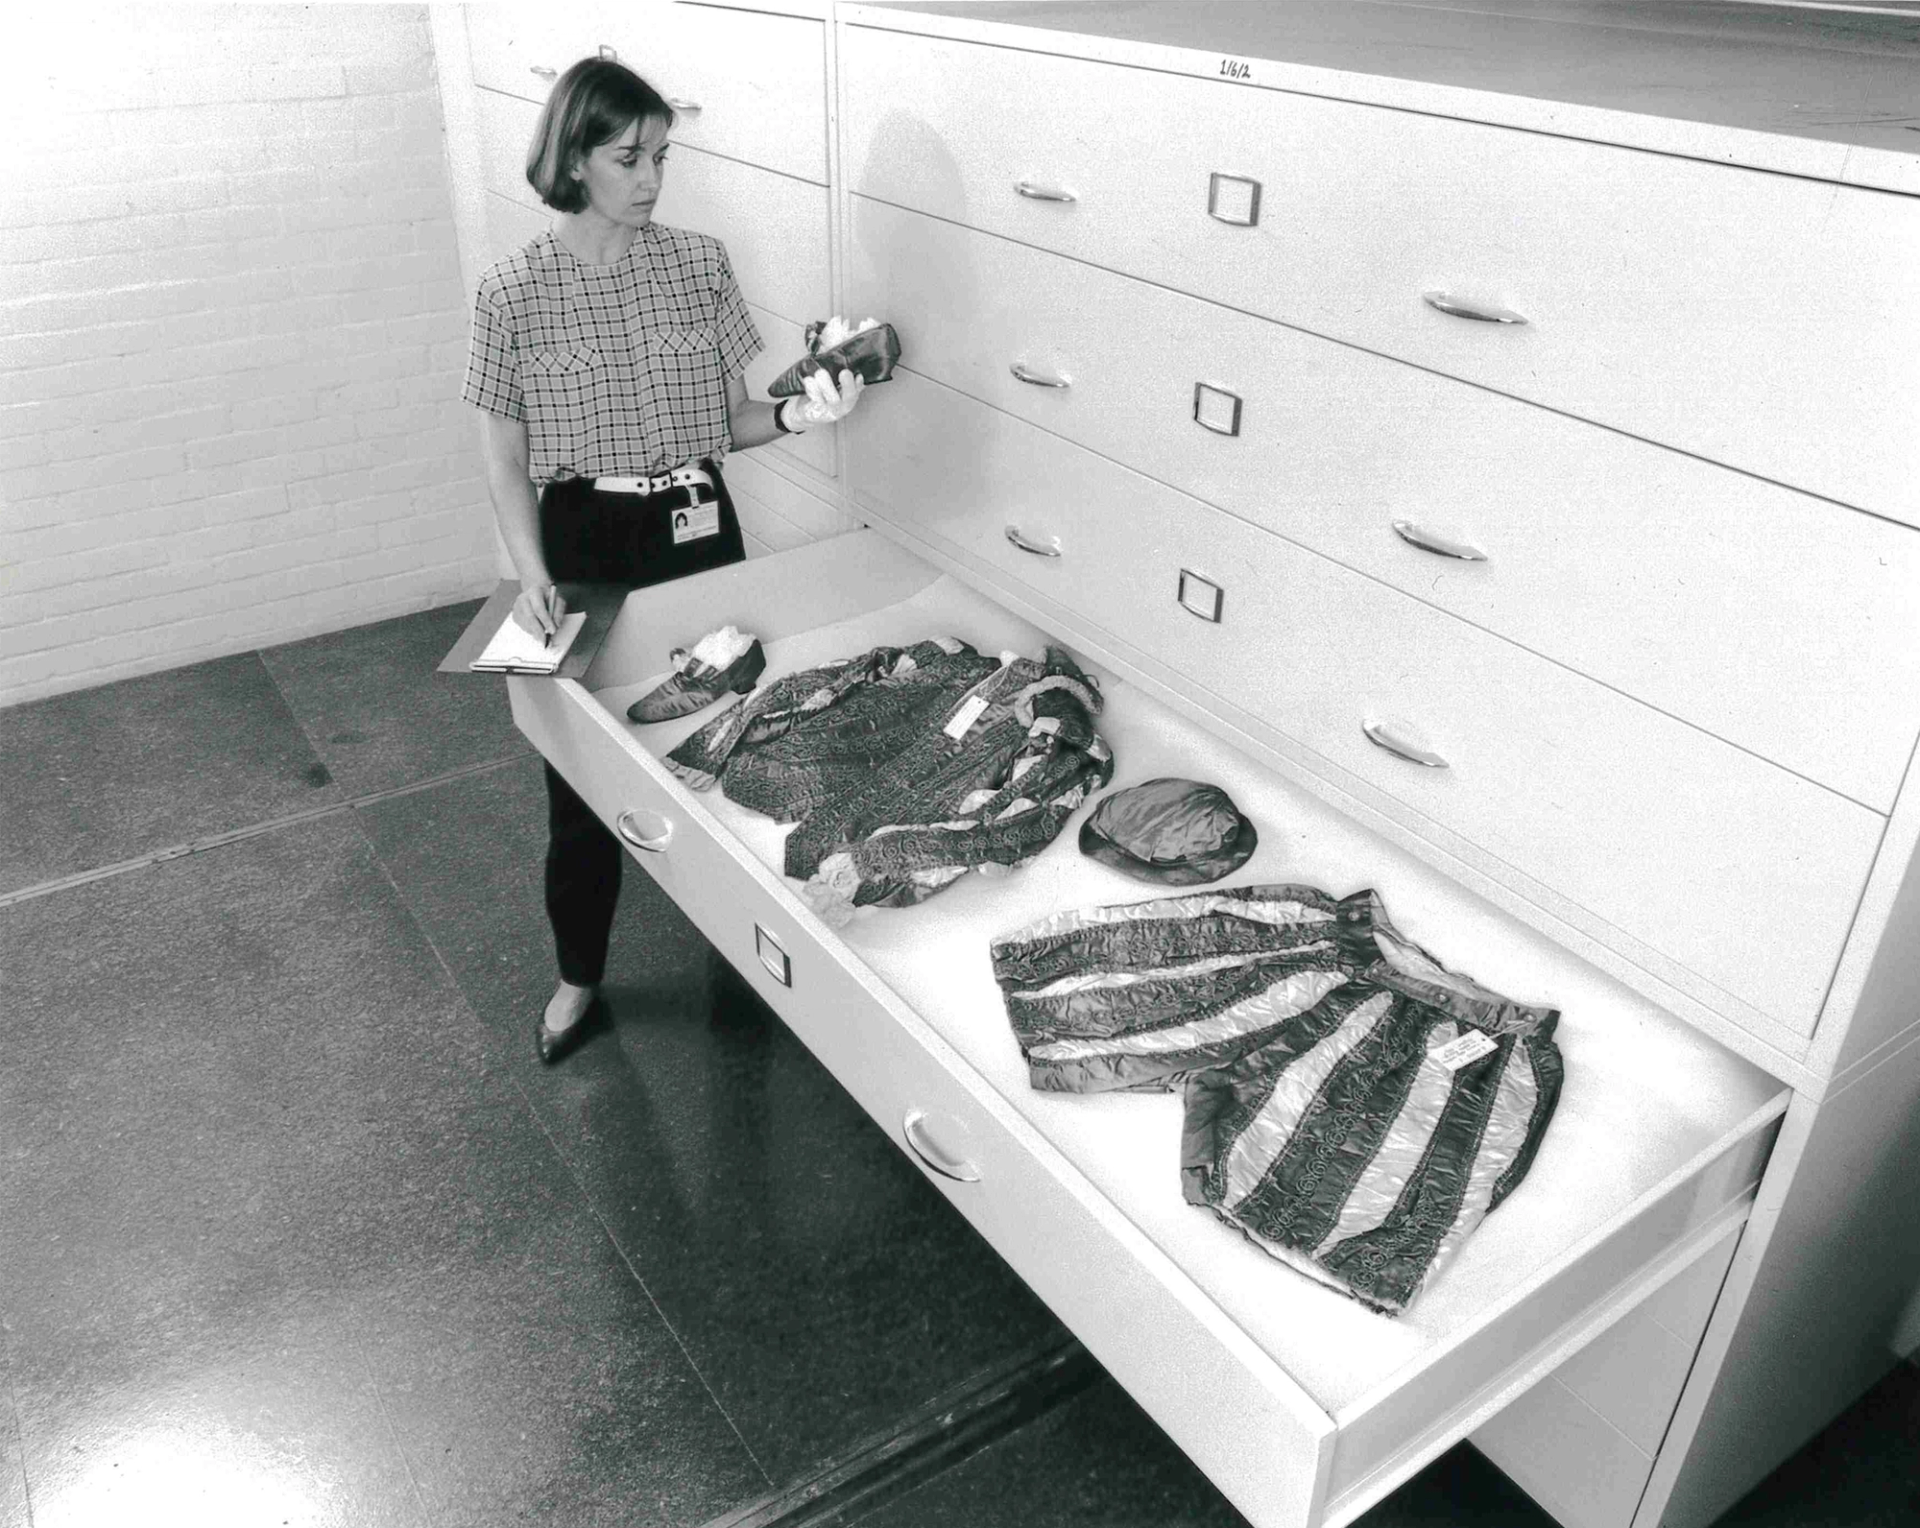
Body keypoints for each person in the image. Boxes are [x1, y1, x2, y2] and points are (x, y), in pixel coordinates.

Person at [461, 57, 865, 1065]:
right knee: (581, 780)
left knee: (736, 743)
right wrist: (532, 570)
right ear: (572, 159)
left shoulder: (699, 262)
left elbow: (730, 419)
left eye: (661, 155)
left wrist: (803, 410)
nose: (651, 177)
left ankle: (747, 966)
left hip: (696, 520)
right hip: (583, 540)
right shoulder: (513, 290)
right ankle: (578, 976)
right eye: (627, 156)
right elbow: (503, 459)